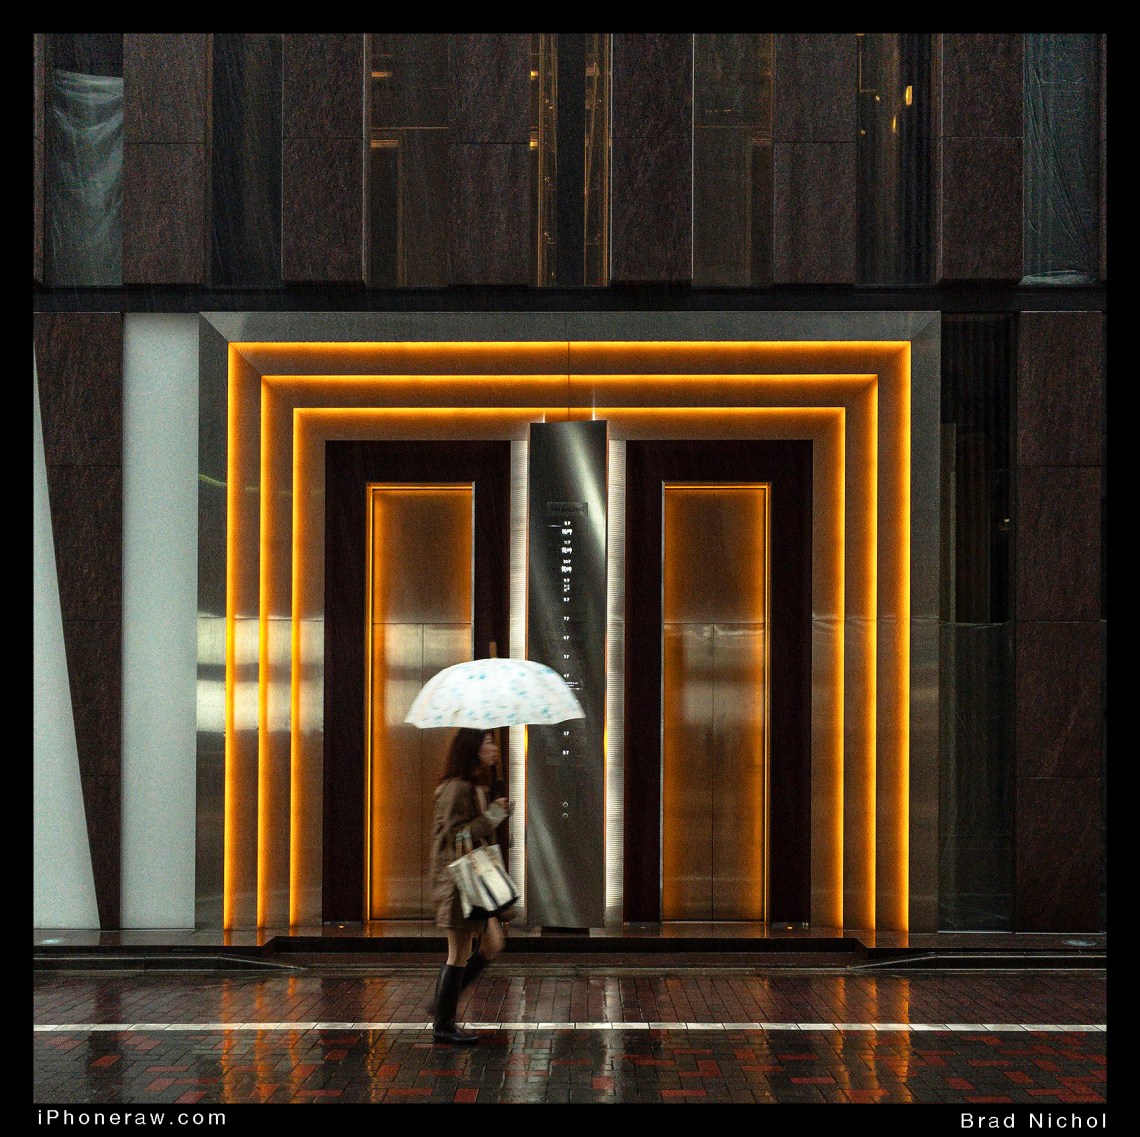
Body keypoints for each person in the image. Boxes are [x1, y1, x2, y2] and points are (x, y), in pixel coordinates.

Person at [429, 727, 511, 1044]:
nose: (493, 748)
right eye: (488, 742)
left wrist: (493, 813)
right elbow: (458, 835)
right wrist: (492, 816)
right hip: (457, 885)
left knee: (490, 945)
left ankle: (441, 1012)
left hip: (471, 884)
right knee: (459, 951)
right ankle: (443, 1023)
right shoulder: (457, 788)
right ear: (473, 749)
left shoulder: (475, 786)